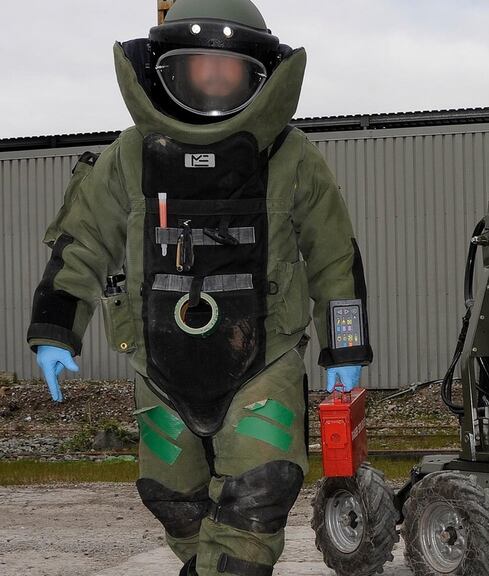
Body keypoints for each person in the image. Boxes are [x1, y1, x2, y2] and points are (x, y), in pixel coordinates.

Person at [25, 1, 373, 574]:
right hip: (160, 363)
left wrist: (347, 345)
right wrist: (56, 328)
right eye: (198, 68)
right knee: (169, 494)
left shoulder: (292, 156)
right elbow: (82, 243)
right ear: (166, 70)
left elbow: (334, 257)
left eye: (227, 69)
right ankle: (202, 560)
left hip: (264, 360)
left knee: (262, 490)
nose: (212, 81)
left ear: (260, 74)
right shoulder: (130, 155)